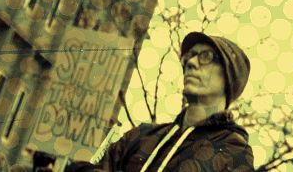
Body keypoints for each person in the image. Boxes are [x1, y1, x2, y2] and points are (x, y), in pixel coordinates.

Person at [67, 32, 255, 172]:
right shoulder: (141, 135)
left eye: (205, 56)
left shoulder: (234, 152)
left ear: (230, 76)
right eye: (188, 57)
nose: (191, 63)